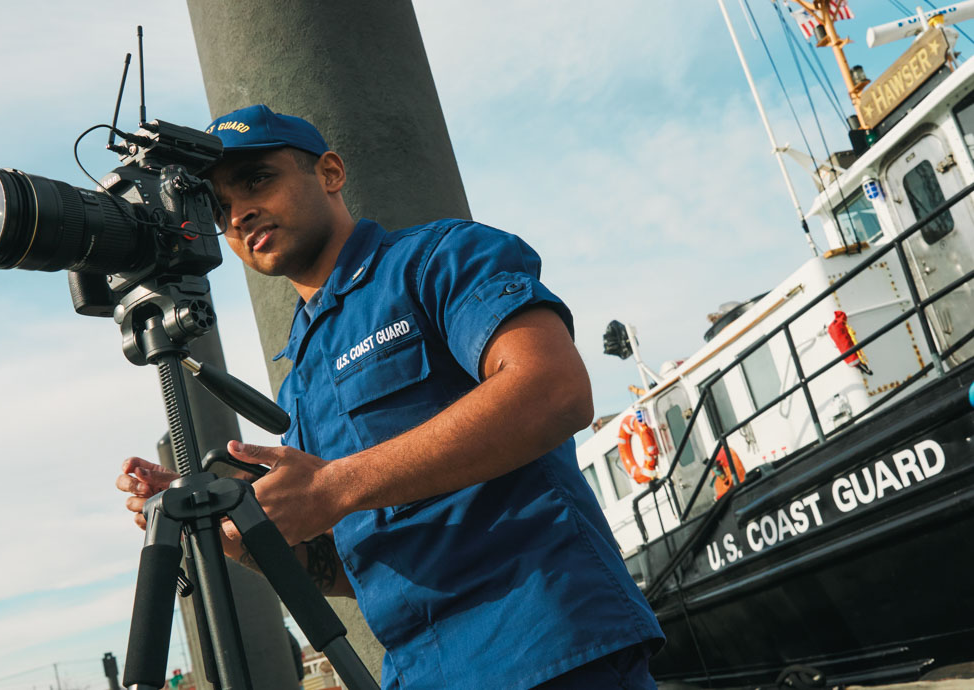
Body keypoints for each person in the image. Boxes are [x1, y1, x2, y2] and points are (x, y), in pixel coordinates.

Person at [117, 104, 664, 689]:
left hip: (545, 646)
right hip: (419, 672)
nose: (240, 211)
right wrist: (242, 529)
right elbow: (347, 562)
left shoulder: (439, 259)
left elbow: (554, 390)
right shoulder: (299, 379)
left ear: (329, 173)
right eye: (220, 207)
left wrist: (334, 485)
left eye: (258, 179)